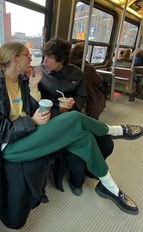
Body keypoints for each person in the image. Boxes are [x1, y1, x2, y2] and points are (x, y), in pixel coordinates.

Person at [0, 41, 143, 228]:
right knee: (74, 118)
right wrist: (31, 121)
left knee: (84, 137)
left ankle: (109, 187)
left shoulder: (23, 81)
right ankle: (113, 130)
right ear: (15, 59)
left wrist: (34, 88)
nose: (32, 57)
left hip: (29, 135)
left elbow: (31, 110)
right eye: (27, 54)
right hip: (9, 147)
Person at [39, 39, 114, 196]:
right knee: (77, 154)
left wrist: (75, 103)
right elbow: (35, 101)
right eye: (44, 56)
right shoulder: (40, 73)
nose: (44, 60)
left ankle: (91, 170)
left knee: (106, 143)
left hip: (76, 115)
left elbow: (82, 97)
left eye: (49, 57)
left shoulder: (76, 73)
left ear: (61, 59)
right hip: (54, 119)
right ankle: (76, 180)